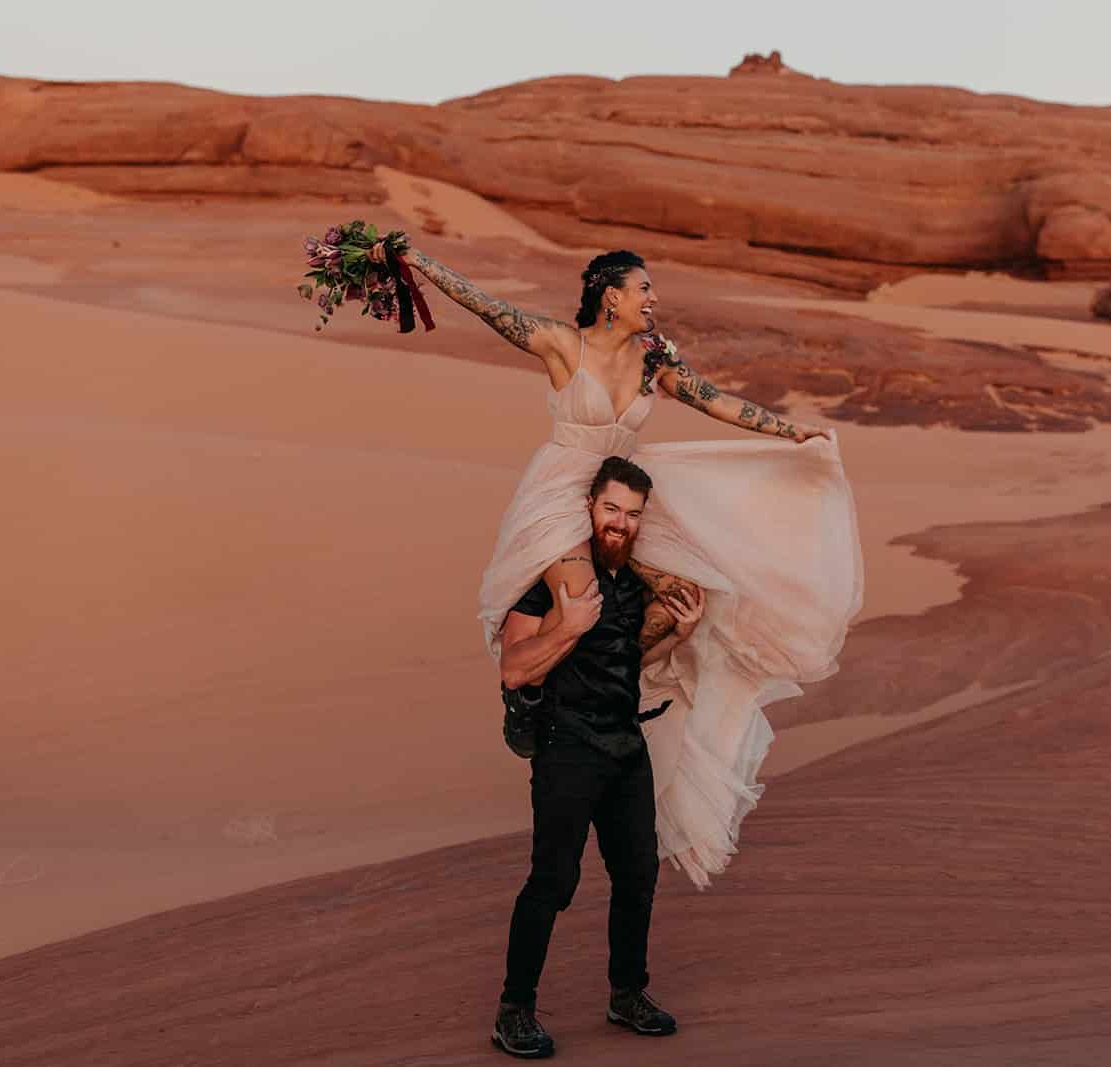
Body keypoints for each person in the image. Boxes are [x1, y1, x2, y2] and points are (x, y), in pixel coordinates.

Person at [370, 239, 864, 888]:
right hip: (559, 496)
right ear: (612, 297)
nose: (652, 299)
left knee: (690, 591)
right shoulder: (560, 344)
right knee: (583, 607)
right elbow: (487, 307)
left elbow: (713, 398)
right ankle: (525, 696)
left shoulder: (655, 358)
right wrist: (418, 264)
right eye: (643, 290)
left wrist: (792, 434)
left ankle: (628, 689)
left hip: (623, 491)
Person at [493, 456, 702, 1058]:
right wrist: (569, 626)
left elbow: (626, 661)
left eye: (632, 514)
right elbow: (513, 667)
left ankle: (627, 994)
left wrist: (676, 635)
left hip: (625, 747)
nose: (620, 523)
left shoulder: (633, 584)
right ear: (589, 508)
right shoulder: (549, 581)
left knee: (639, 875)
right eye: (611, 509)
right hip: (567, 747)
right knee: (553, 881)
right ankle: (514, 1010)